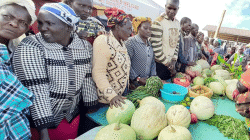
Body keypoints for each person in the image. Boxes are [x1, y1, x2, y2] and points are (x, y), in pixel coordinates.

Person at [12, 3, 98, 140]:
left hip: (71, 118)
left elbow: (87, 79)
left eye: (49, 23)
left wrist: (92, 108)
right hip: (39, 123)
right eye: (40, 23)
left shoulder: (84, 46)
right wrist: (43, 133)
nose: (42, 28)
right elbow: (37, 89)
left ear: (68, 26)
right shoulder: (31, 45)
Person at [0, 0, 36, 139]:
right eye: (7, 17)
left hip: (15, 129)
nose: (14, 24)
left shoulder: (16, 51)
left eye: (22, 23)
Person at [92, 8, 132, 108]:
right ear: (118, 27)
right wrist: (112, 96)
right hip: (105, 100)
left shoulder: (122, 43)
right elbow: (98, 73)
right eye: (128, 29)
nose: (131, 32)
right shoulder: (103, 41)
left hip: (118, 98)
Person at [150, 0, 181, 80]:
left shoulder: (177, 23)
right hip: (159, 64)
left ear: (178, 9)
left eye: (174, 9)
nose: (171, 11)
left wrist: (174, 61)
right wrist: (168, 63)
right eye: (169, 8)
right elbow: (156, 48)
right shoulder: (158, 22)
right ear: (165, 6)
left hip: (171, 65)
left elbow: (177, 44)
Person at [125, 17, 156, 89]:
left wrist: (153, 77)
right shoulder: (131, 42)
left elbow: (153, 63)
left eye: (150, 29)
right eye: (145, 28)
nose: (148, 31)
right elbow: (126, 63)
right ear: (138, 28)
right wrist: (137, 78)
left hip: (146, 84)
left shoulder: (150, 44)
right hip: (133, 85)